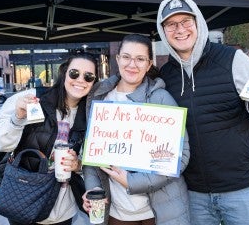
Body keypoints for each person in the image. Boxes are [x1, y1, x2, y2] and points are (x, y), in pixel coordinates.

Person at [156, 0, 249, 225]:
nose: (179, 29)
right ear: (163, 31)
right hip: (193, 192)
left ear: (198, 22)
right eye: (171, 24)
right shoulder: (166, 75)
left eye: (186, 21)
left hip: (241, 188)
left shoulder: (233, 59)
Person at [82, 34, 191, 225]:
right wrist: (92, 190)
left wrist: (132, 182)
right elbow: (91, 154)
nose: (132, 64)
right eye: (126, 57)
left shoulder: (161, 98)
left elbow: (180, 157)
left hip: (159, 212)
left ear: (149, 64)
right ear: (117, 59)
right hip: (117, 212)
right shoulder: (101, 97)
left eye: (140, 59)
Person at [0, 53, 98, 225]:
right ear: (64, 73)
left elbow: (94, 160)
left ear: (94, 82)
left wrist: (77, 165)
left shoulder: (90, 114)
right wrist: (17, 117)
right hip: (24, 200)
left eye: (88, 76)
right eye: (74, 73)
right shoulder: (34, 99)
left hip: (62, 209)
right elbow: (0, 144)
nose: (80, 80)